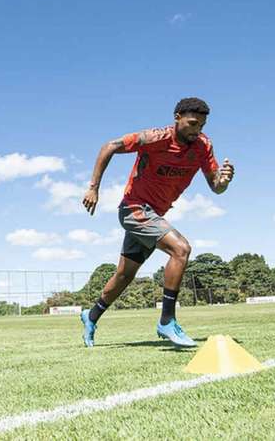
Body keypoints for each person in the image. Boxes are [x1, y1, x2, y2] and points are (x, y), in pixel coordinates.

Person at [80, 97, 234, 348]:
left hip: (154, 215)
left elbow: (215, 187)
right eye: (192, 124)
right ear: (177, 117)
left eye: (202, 126)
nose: (197, 131)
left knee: (124, 275)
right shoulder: (155, 138)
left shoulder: (203, 146)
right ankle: (166, 321)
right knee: (181, 249)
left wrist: (224, 181)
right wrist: (93, 188)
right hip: (134, 209)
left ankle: (91, 316)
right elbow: (109, 146)